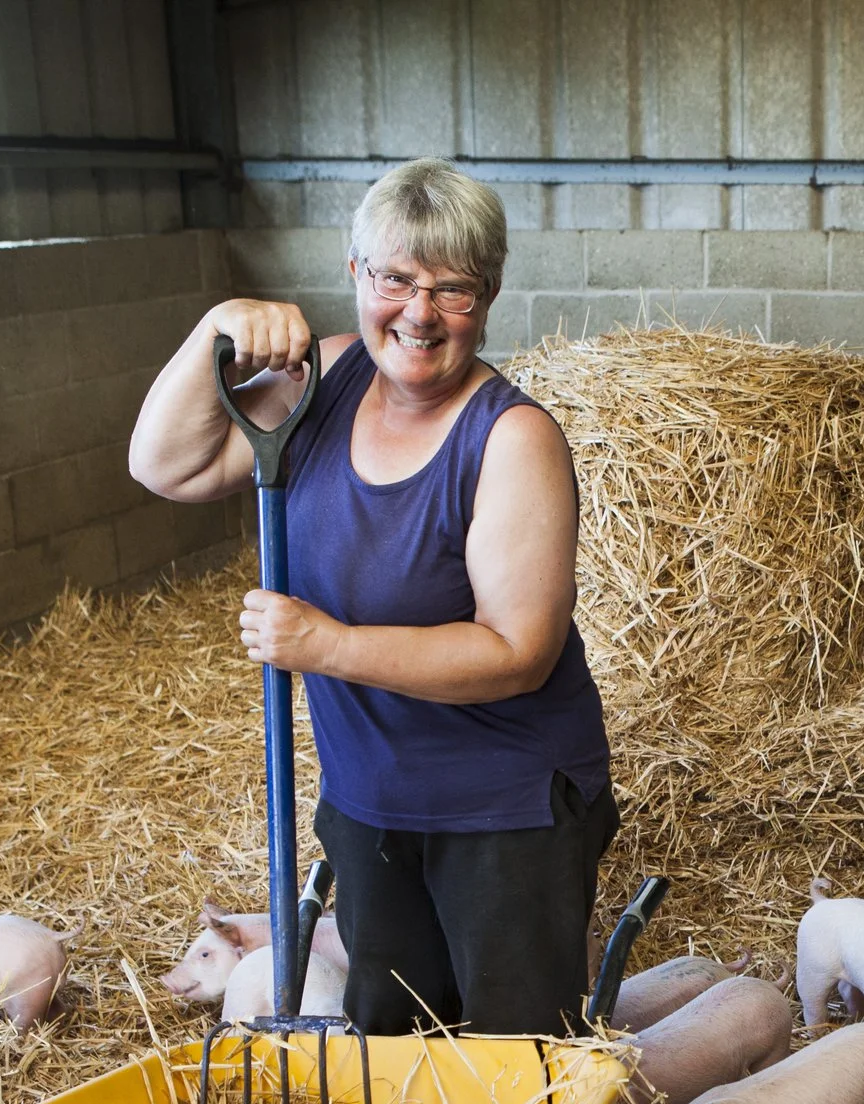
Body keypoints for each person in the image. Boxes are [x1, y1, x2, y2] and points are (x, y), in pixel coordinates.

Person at [128, 158, 614, 1036]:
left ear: (490, 297)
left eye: (453, 289)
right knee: (394, 1040)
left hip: (506, 809)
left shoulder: (513, 439)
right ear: (357, 275)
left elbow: (516, 650)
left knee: (517, 1059)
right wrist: (215, 337)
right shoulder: (327, 381)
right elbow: (167, 464)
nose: (420, 313)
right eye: (395, 279)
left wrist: (327, 645)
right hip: (369, 802)